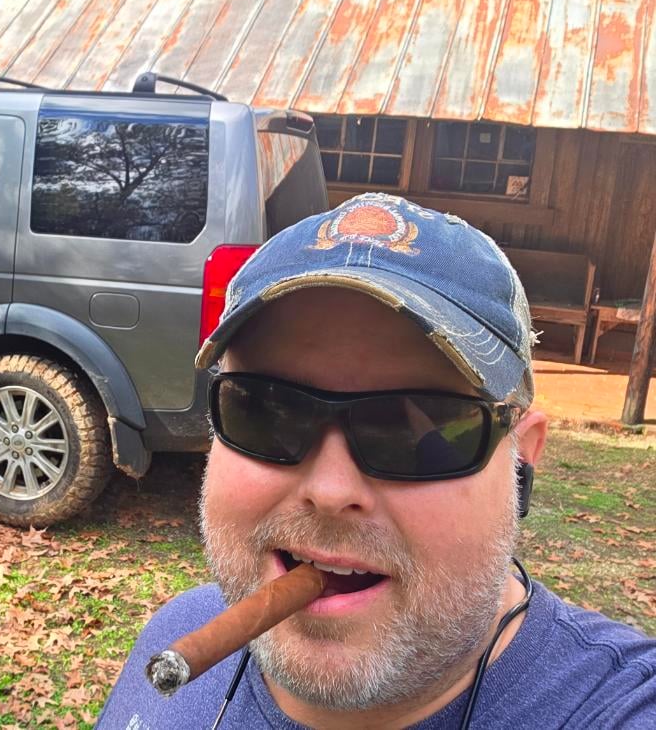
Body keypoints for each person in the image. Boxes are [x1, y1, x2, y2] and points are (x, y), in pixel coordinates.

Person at [98, 193, 655, 729]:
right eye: (266, 410)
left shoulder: (618, 706)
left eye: (411, 428)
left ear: (522, 461)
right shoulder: (176, 633)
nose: (331, 490)